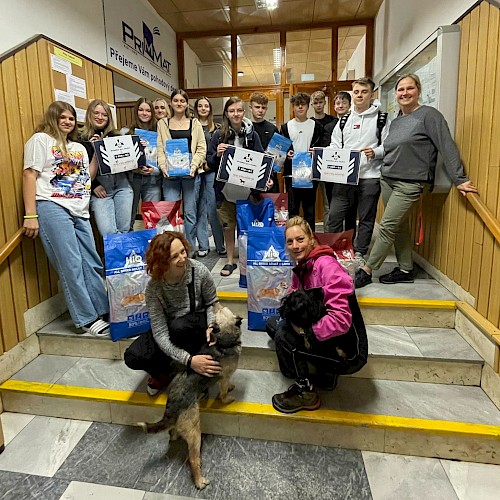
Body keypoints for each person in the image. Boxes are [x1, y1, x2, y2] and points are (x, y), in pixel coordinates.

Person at [355, 74, 478, 288]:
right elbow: (391, 149)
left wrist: (460, 179)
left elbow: (447, 146)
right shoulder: (397, 121)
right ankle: (405, 269)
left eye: (409, 88)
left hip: (411, 183)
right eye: (400, 89)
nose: (404, 93)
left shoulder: (429, 116)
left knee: (387, 226)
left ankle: (367, 270)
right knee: (399, 227)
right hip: (388, 179)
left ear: (418, 90)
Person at [23, 101, 110, 336]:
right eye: (63, 117)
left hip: (79, 209)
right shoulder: (40, 140)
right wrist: (30, 215)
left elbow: (85, 178)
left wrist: (96, 156)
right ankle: (86, 318)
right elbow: (29, 175)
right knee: (70, 263)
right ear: (53, 118)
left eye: (71, 118)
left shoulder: (78, 147)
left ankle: (103, 309)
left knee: (91, 261)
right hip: (52, 206)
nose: (68, 122)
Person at [269, 216, 367, 414]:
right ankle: (326, 373)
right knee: (273, 323)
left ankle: (305, 392)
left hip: (347, 349)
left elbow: (341, 319)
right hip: (325, 335)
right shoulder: (303, 266)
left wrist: (306, 333)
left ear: (311, 239)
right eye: (290, 241)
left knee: (282, 335)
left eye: (300, 239)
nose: (295, 246)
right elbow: (292, 299)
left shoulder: (327, 266)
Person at [124, 232, 221, 396]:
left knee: (179, 326)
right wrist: (189, 360)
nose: (183, 258)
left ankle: (196, 375)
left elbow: (213, 302)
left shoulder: (198, 270)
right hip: (172, 330)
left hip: (196, 326)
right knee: (133, 356)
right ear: (162, 262)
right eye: (174, 256)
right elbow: (160, 333)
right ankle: (166, 373)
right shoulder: (154, 288)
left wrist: (212, 325)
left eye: (183, 251)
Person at [328, 78, 390, 267]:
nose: (360, 95)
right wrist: (325, 154)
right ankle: (334, 251)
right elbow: (335, 144)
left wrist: (376, 152)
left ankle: (360, 252)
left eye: (364, 91)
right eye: (356, 92)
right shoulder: (344, 119)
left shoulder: (382, 119)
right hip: (344, 177)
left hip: (370, 177)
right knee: (335, 215)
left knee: (366, 218)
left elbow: (388, 145)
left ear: (372, 94)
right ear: (352, 94)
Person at [207, 97, 267, 277]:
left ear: (244, 112)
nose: (236, 114)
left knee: (245, 226)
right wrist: (217, 155)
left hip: (247, 190)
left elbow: (261, 159)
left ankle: (245, 260)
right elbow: (209, 162)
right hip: (225, 190)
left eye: (239, 110)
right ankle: (230, 261)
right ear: (226, 113)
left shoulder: (252, 135)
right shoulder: (219, 135)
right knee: (228, 226)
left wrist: (266, 179)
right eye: (232, 111)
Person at [157, 89, 206, 255]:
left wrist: (194, 166)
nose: (179, 103)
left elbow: (201, 148)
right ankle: (173, 250)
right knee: (171, 213)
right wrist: (163, 167)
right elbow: (160, 148)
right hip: (170, 176)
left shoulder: (195, 123)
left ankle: (189, 250)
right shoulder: (162, 123)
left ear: (186, 104)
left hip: (190, 174)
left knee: (190, 214)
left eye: (182, 101)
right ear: (171, 103)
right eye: (176, 100)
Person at [79, 99, 133, 235]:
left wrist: (137, 149)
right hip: (101, 188)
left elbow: (127, 162)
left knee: (124, 229)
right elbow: (80, 171)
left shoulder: (116, 135)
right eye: (96, 113)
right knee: (107, 232)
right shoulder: (81, 139)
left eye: (104, 115)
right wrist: (94, 185)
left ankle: (123, 251)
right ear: (89, 114)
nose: (100, 117)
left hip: (122, 185)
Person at [280, 93, 323, 231]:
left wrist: (315, 152)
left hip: (310, 175)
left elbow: (322, 148)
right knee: (292, 208)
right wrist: (287, 154)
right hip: (291, 175)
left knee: (310, 209)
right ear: (293, 107)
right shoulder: (285, 127)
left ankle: (310, 238)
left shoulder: (316, 126)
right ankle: (293, 236)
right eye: (297, 104)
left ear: (308, 106)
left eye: (303, 104)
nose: (300, 107)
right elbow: (281, 150)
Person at [193, 96, 226, 257]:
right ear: (196, 108)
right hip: (195, 172)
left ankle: (220, 245)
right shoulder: (191, 126)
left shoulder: (217, 129)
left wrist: (208, 164)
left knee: (213, 208)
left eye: (206, 106)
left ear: (210, 109)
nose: (203, 108)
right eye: (200, 106)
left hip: (212, 171)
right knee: (199, 209)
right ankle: (203, 245)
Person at [122, 97, 161, 231]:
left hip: (153, 180)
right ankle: (128, 242)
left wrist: (154, 170)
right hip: (132, 180)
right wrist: (133, 169)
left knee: (152, 220)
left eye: (148, 110)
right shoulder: (125, 132)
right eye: (141, 110)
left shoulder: (160, 133)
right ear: (136, 111)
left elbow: (165, 159)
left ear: (152, 113)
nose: (144, 113)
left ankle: (152, 243)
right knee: (128, 217)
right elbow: (120, 162)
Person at [249, 92, 280, 193]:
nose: (260, 110)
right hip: (248, 176)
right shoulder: (245, 128)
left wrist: (271, 176)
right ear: (250, 108)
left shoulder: (272, 129)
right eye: (257, 107)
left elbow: (277, 158)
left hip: (269, 178)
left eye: (263, 107)